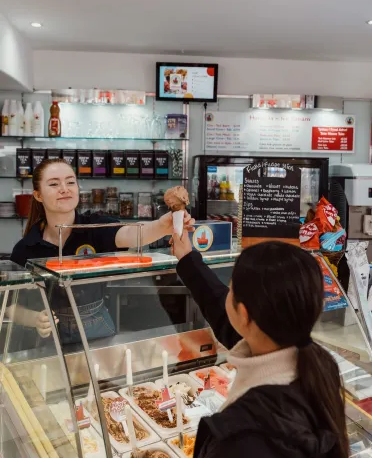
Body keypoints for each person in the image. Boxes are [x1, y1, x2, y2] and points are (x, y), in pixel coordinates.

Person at [172, 232, 348, 458]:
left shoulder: (241, 440)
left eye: (231, 288)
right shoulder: (318, 363)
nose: (226, 294)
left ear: (244, 314)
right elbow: (222, 312)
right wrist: (187, 259)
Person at [9, 158, 194, 343]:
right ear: (38, 195)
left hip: (98, 327)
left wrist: (164, 225)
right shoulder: (26, 247)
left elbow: (131, 233)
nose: (64, 188)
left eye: (70, 182)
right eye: (54, 184)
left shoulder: (94, 227)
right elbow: (10, 303)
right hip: (49, 335)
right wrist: (34, 319)